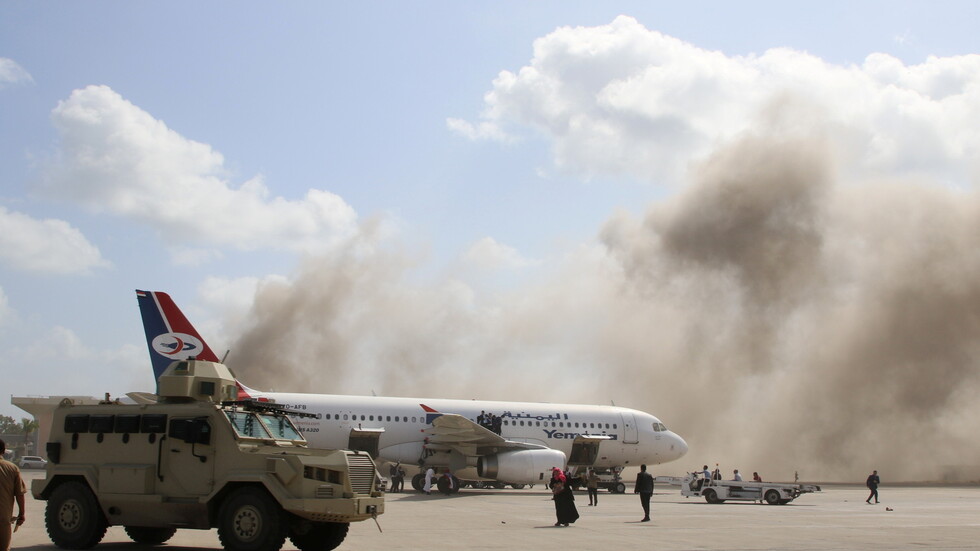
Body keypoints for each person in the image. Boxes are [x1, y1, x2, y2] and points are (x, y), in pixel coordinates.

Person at [0, 439, 26, 551]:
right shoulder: (12, 468)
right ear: (4, 451)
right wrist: (21, 514)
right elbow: (20, 494)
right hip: (3, 520)